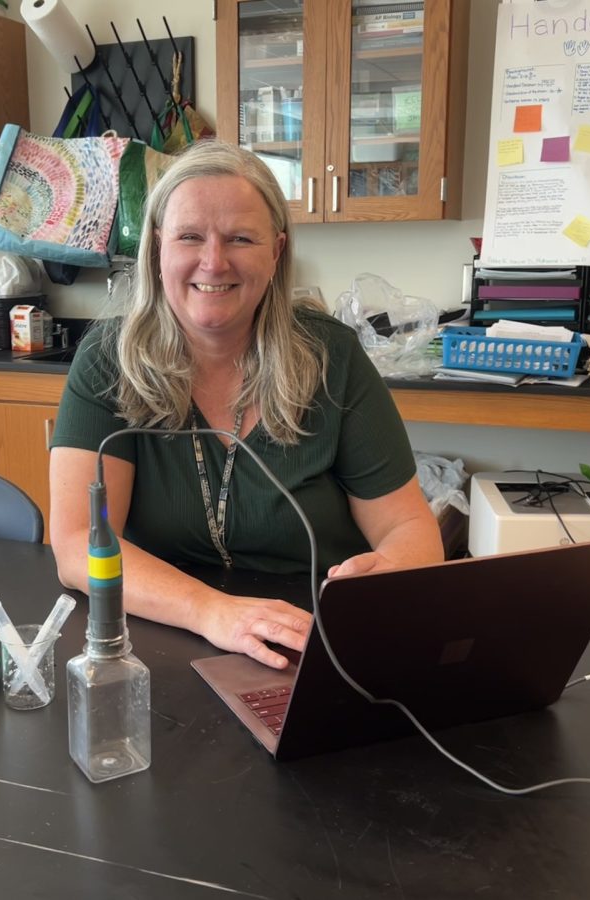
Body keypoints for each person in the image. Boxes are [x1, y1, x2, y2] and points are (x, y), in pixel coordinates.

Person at [49, 141, 443, 670]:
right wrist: (212, 611)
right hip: (160, 636)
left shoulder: (332, 357)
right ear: (157, 245)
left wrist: (388, 574)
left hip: (307, 641)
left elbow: (410, 528)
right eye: (190, 236)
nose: (214, 262)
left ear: (276, 251)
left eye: (240, 238)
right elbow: (78, 545)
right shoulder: (106, 360)